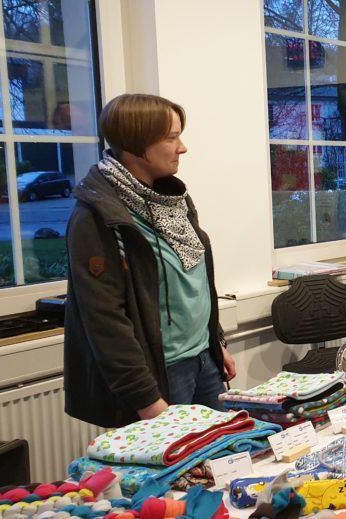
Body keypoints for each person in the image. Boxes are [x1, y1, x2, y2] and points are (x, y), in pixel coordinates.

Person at [64, 94, 236, 428]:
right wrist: (146, 400)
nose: (182, 147)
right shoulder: (97, 216)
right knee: (179, 477)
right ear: (136, 143)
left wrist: (216, 343)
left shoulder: (173, 199)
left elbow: (192, 282)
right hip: (160, 376)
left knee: (225, 462)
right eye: (171, 138)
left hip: (203, 361)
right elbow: (103, 321)